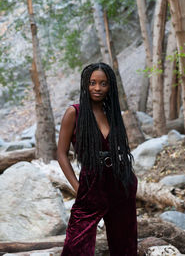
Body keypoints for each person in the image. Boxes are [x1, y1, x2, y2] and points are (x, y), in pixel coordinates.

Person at [57, 62, 138, 255]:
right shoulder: (74, 113)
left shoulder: (112, 113)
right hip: (91, 182)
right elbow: (61, 154)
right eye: (93, 82)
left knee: (125, 244)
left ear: (110, 86)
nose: (97, 88)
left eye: (103, 83)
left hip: (120, 183)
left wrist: (130, 179)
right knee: (76, 246)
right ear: (86, 84)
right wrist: (77, 187)